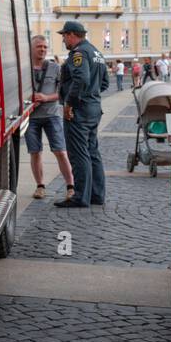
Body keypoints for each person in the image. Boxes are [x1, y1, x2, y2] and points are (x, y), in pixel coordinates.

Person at [54, 20, 106, 209]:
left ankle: (80, 197)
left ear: (71, 35)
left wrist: (69, 103)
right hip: (93, 108)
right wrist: (91, 95)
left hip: (79, 110)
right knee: (92, 152)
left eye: (64, 36)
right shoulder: (96, 52)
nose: (63, 40)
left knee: (79, 153)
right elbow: (104, 83)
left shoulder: (78, 53)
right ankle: (97, 195)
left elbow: (81, 78)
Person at [26, 35, 75, 201]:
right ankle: (40, 186)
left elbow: (63, 93)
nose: (42, 49)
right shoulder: (24, 68)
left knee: (60, 151)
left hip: (52, 115)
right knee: (35, 152)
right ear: (31, 48)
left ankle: (70, 187)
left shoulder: (55, 68)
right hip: (31, 117)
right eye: (39, 46)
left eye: (45, 47)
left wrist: (46, 98)